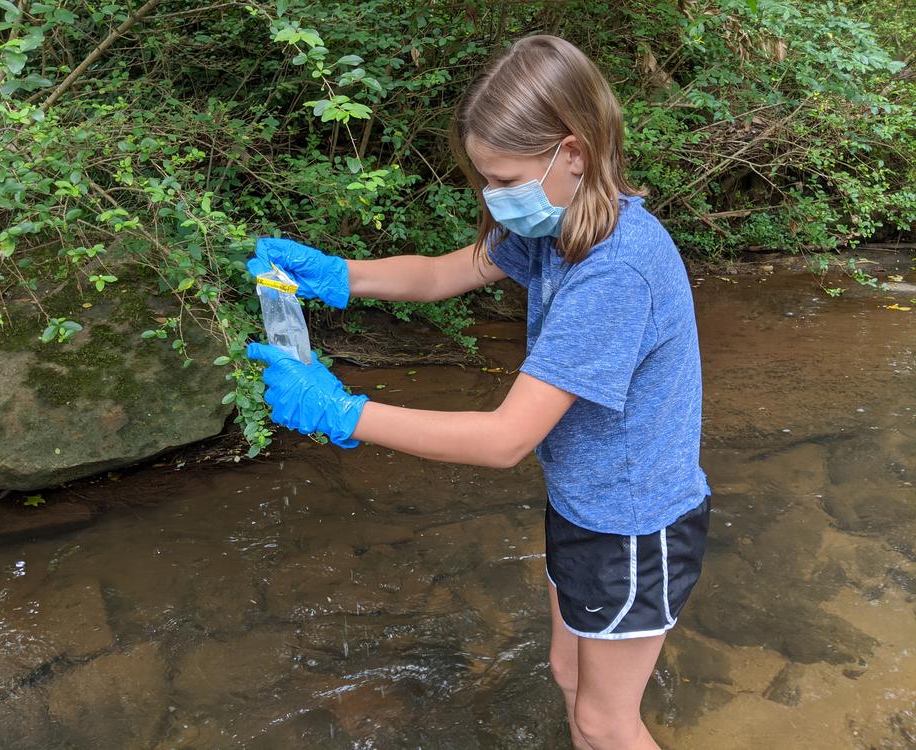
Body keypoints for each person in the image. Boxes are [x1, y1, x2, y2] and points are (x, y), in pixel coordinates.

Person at [245, 34, 710, 750]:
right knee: (566, 671)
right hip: (583, 502)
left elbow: (504, 440)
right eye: (486, 181)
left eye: (504, 179)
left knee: (604, 720)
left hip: (633, 524)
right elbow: (440, 274)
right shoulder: (559, 231)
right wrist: (339, 274)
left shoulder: (616, 273)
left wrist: (345, 412)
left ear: (573, 152)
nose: (495, 198)